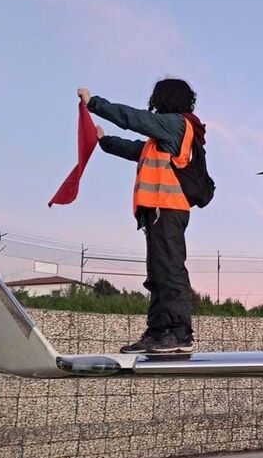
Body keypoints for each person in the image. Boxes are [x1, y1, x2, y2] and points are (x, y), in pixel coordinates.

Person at [77, 79, 206, 354]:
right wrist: (105, 141)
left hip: (167, 209)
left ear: (166, 98)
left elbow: (135, 119)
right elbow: (136, 149)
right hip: (158, 212)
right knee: (158, 274)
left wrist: (94, 104)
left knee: (169, 271)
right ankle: (158, 333)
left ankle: (178, 334)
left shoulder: (176, 123)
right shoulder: (162, 138)